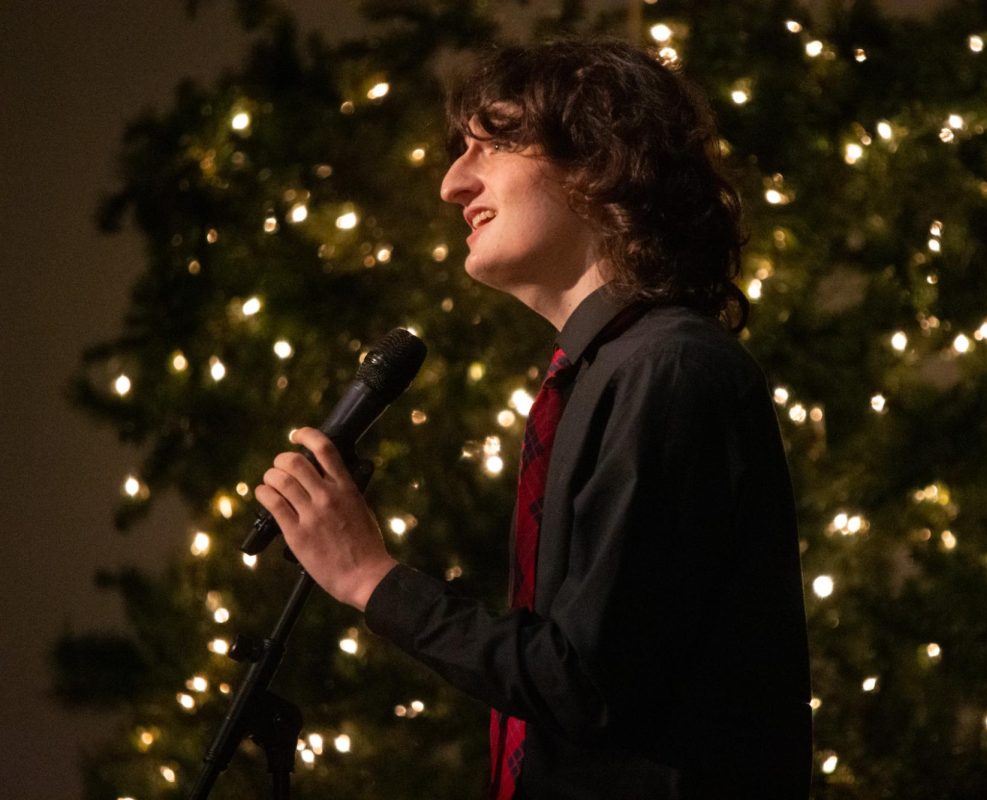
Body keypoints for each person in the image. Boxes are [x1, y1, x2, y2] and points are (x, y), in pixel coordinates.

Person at [255, 37, 812, 799]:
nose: (453, 183)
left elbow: (586, 683)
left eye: (494, 143)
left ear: (597, 159)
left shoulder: (669, 370)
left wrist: (370, 578)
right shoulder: (597, 377)